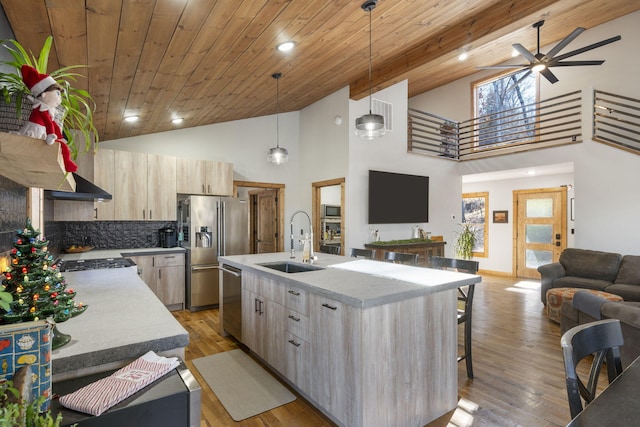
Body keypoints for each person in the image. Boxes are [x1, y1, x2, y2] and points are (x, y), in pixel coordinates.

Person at [18, 65, 77, 173]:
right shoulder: (41, 108)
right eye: (57, 94)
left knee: (62, 145)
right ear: (44, 95)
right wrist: (51, 134)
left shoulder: (49, 109)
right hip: (36, 131)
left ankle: (67, 162)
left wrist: (59, 136)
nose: (59, 99)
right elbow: (48, 123)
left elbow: (53, 123)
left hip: (44, 132)